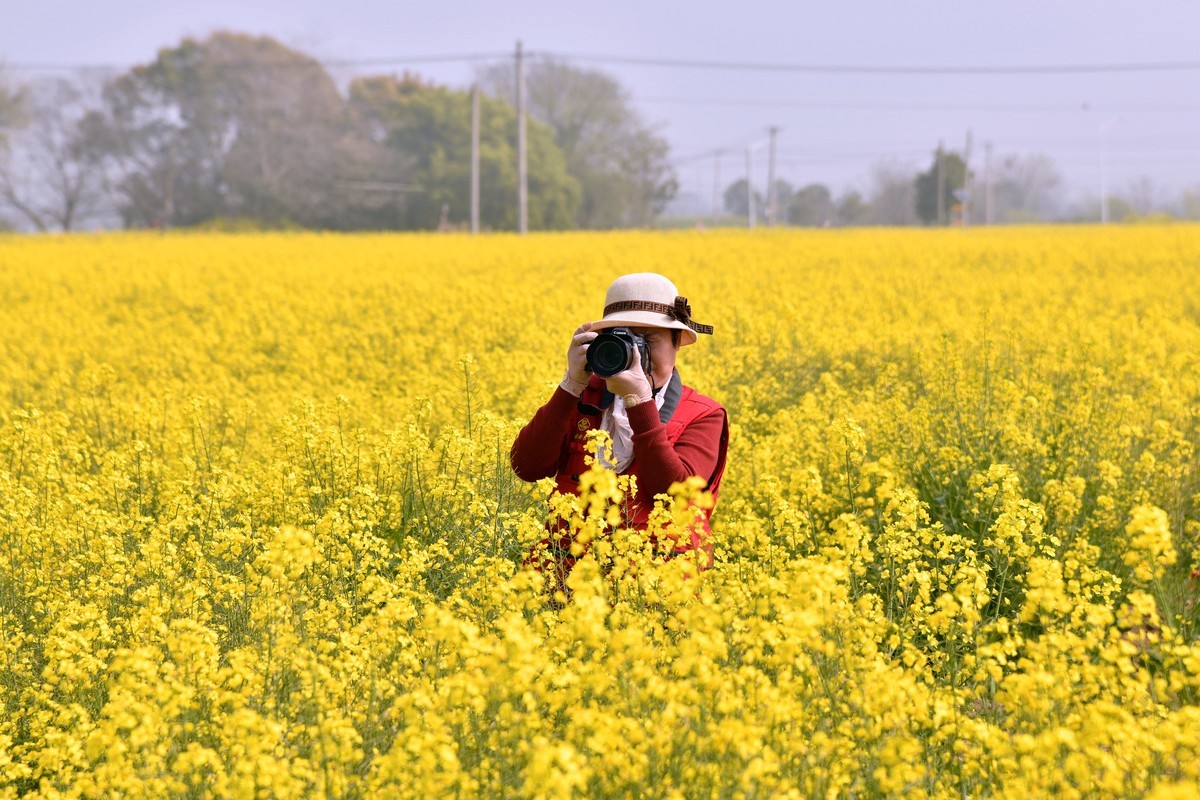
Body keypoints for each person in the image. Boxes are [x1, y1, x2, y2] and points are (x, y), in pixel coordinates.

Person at [510, 273, 729, 602]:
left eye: (648, 340)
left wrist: (639, 402)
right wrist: (570, 385)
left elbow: (676, 497)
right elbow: (526, 467)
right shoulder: (581, 399)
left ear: (677, 343)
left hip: (656, 594)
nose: (636, 353)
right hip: (564, 589)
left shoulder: (704, 414)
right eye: (623, 339)